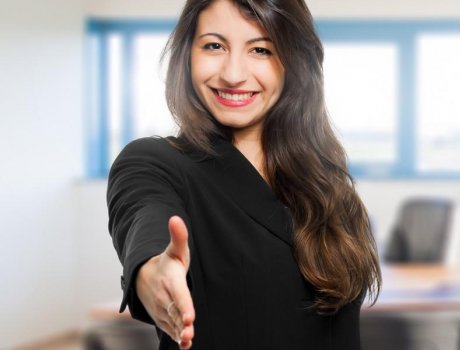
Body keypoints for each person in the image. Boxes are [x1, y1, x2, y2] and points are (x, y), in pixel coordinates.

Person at [106, 0, 382, 349]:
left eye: (261, 50)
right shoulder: (156, 162)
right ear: (186, 55)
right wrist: (152, 273)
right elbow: (144, 216)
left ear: (294, 61)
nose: (233, 74)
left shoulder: (328, 185)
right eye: (214, 46)